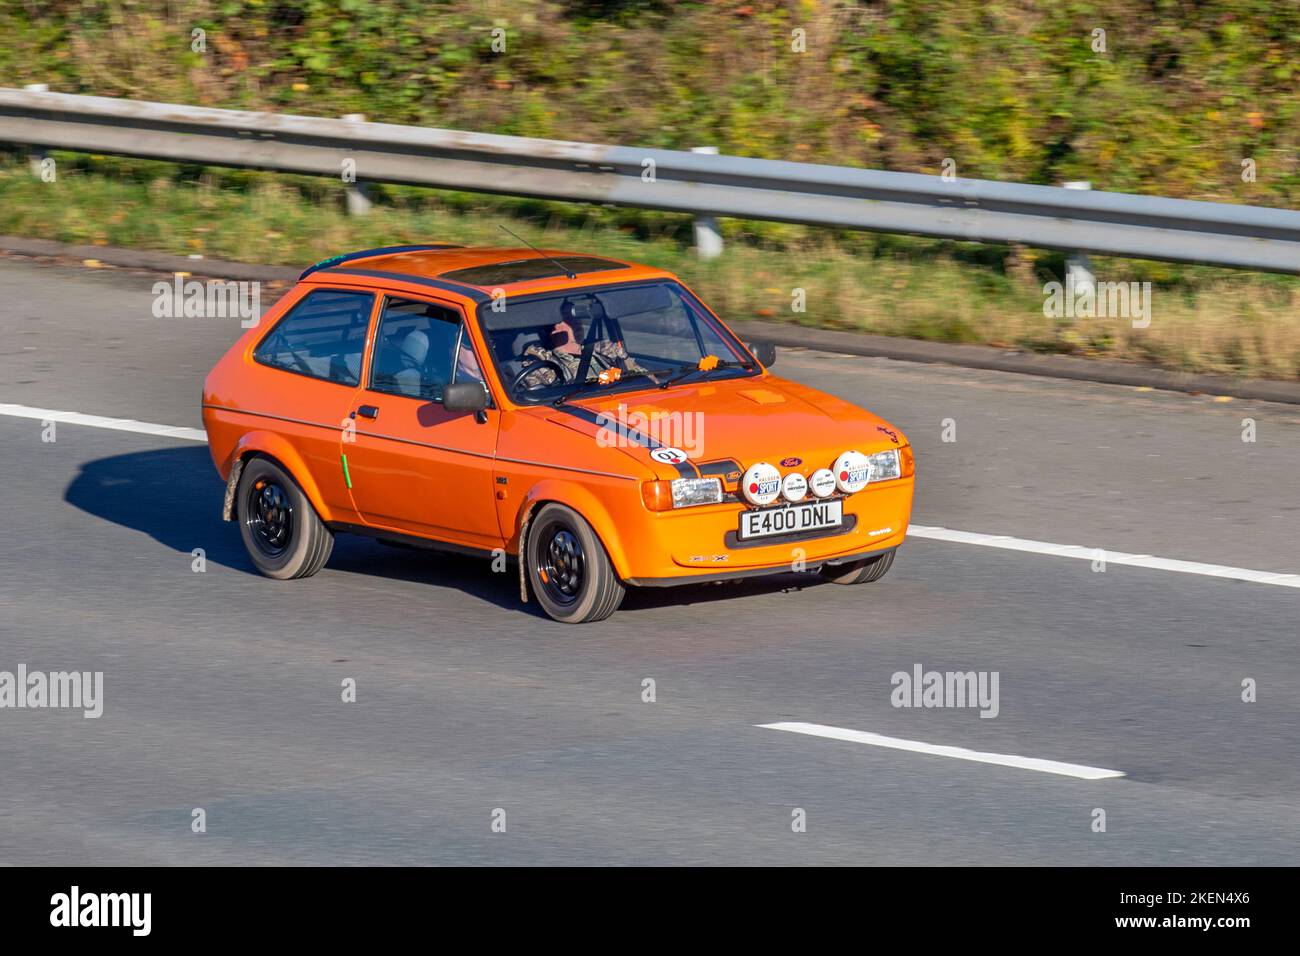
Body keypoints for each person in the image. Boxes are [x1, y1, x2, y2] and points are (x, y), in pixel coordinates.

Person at [518, 298, 642, 389]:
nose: (576, 321)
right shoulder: (541, 364)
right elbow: (542, 407)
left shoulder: (607, 350)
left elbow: (646, 379)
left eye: (574, 316)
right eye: (566, 317)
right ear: (554, 325)